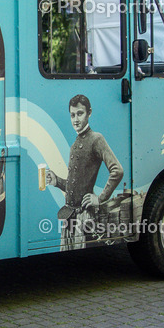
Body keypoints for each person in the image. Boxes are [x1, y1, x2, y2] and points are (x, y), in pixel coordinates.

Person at [44, 94, 124, 251]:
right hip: (69, 216)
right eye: (72, 115)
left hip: (84, 216)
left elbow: (117, 170)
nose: (75, 120)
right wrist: (57, 181)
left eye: (80, 113)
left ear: (89, 113)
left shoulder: (96, 139)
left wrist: (100, 199)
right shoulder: (76, 143)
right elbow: (76, 185)